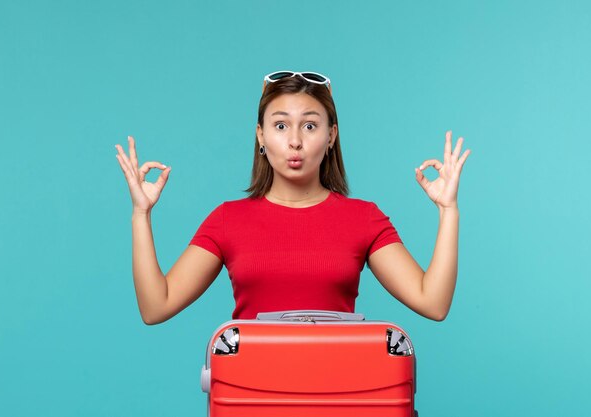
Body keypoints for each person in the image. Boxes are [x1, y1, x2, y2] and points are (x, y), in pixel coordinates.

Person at [115, 71, 470, 325]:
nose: (295, 141)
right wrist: (140, 214)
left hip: (340, 397)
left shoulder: (364, 219)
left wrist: (448, 210)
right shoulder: (227, 220)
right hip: (251, 397)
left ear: (331, 136)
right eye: (281, 125)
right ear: (261, 136)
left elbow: (433, 302)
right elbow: (155, 306)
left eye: (310, 125)